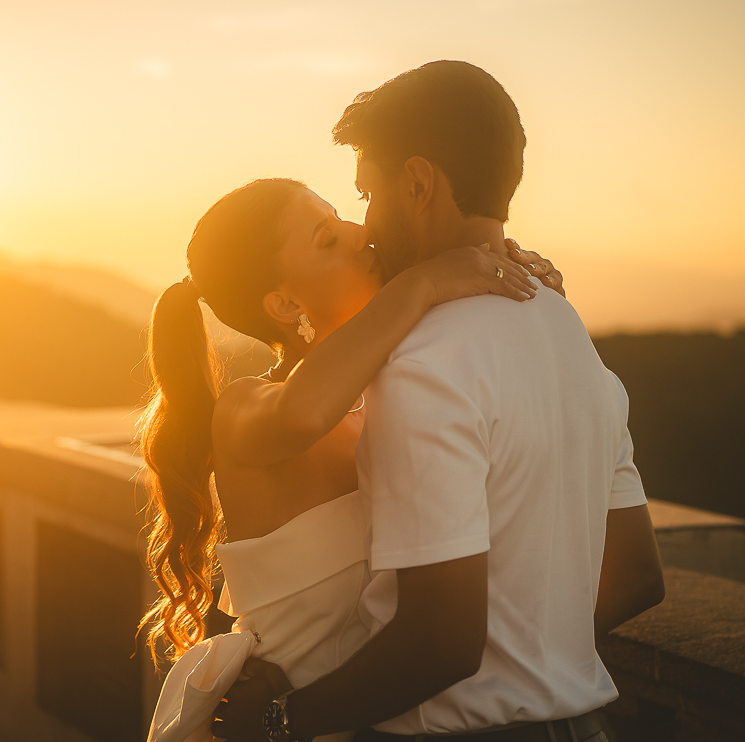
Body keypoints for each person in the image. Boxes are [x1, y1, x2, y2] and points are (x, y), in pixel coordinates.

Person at [212, 61, 665, 742]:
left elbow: (444, 644)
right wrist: (537, 663)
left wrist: (279, 722)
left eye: (362, 198)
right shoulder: (566, 330)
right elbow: (634, 578)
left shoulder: (424, 367)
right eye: (331, 231)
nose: (364, 228)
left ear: (418, 183)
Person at [141, 172, 565, 742]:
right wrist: (421, 284)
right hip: (282, 723)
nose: (360, 232)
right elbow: (306, 412)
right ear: (284, 302)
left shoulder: (397, 396)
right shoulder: (247, 408)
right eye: (326, 237)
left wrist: (519, 285)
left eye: (342, 216)